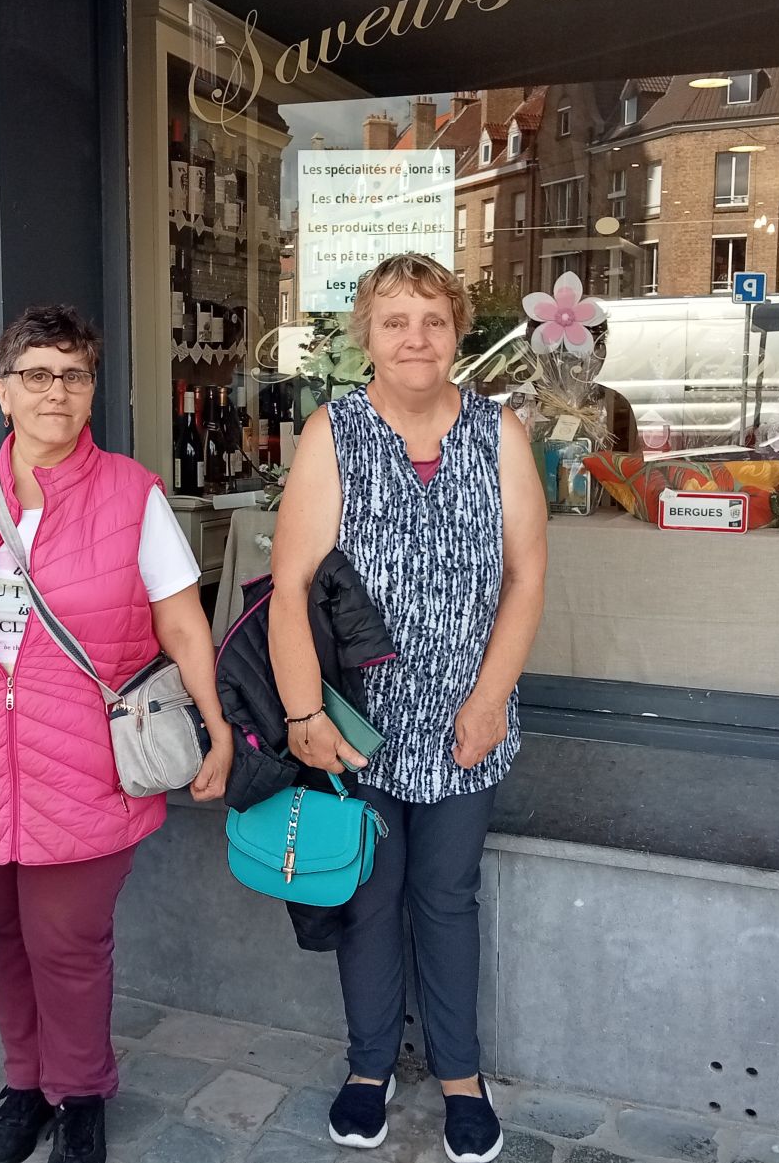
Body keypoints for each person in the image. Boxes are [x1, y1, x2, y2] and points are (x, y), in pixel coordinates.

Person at [0, 305, 233, 1163]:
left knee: (68, 942)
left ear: (92, 388)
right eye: (37, 373)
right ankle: (24, 1083)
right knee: (6, 939)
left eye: (74, 374)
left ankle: (83, 1089)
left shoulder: (131, 494)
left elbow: (180, 624)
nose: (56, 391)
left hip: (85, 766)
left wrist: (216, 727)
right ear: (4, 390)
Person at [270, 254, 547, 1162]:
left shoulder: (499, 433)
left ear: (456, 329)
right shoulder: (334, 431)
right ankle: (369, 1065)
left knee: (447, 894)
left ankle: (462, 1074)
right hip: (358, 723)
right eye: (395, 320)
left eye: (430, 317)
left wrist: (492, 696)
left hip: (468, 719)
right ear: (368, 335)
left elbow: (527, 575)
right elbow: (290, 586)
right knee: (369, 895)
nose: (414, 336)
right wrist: (306, 713)